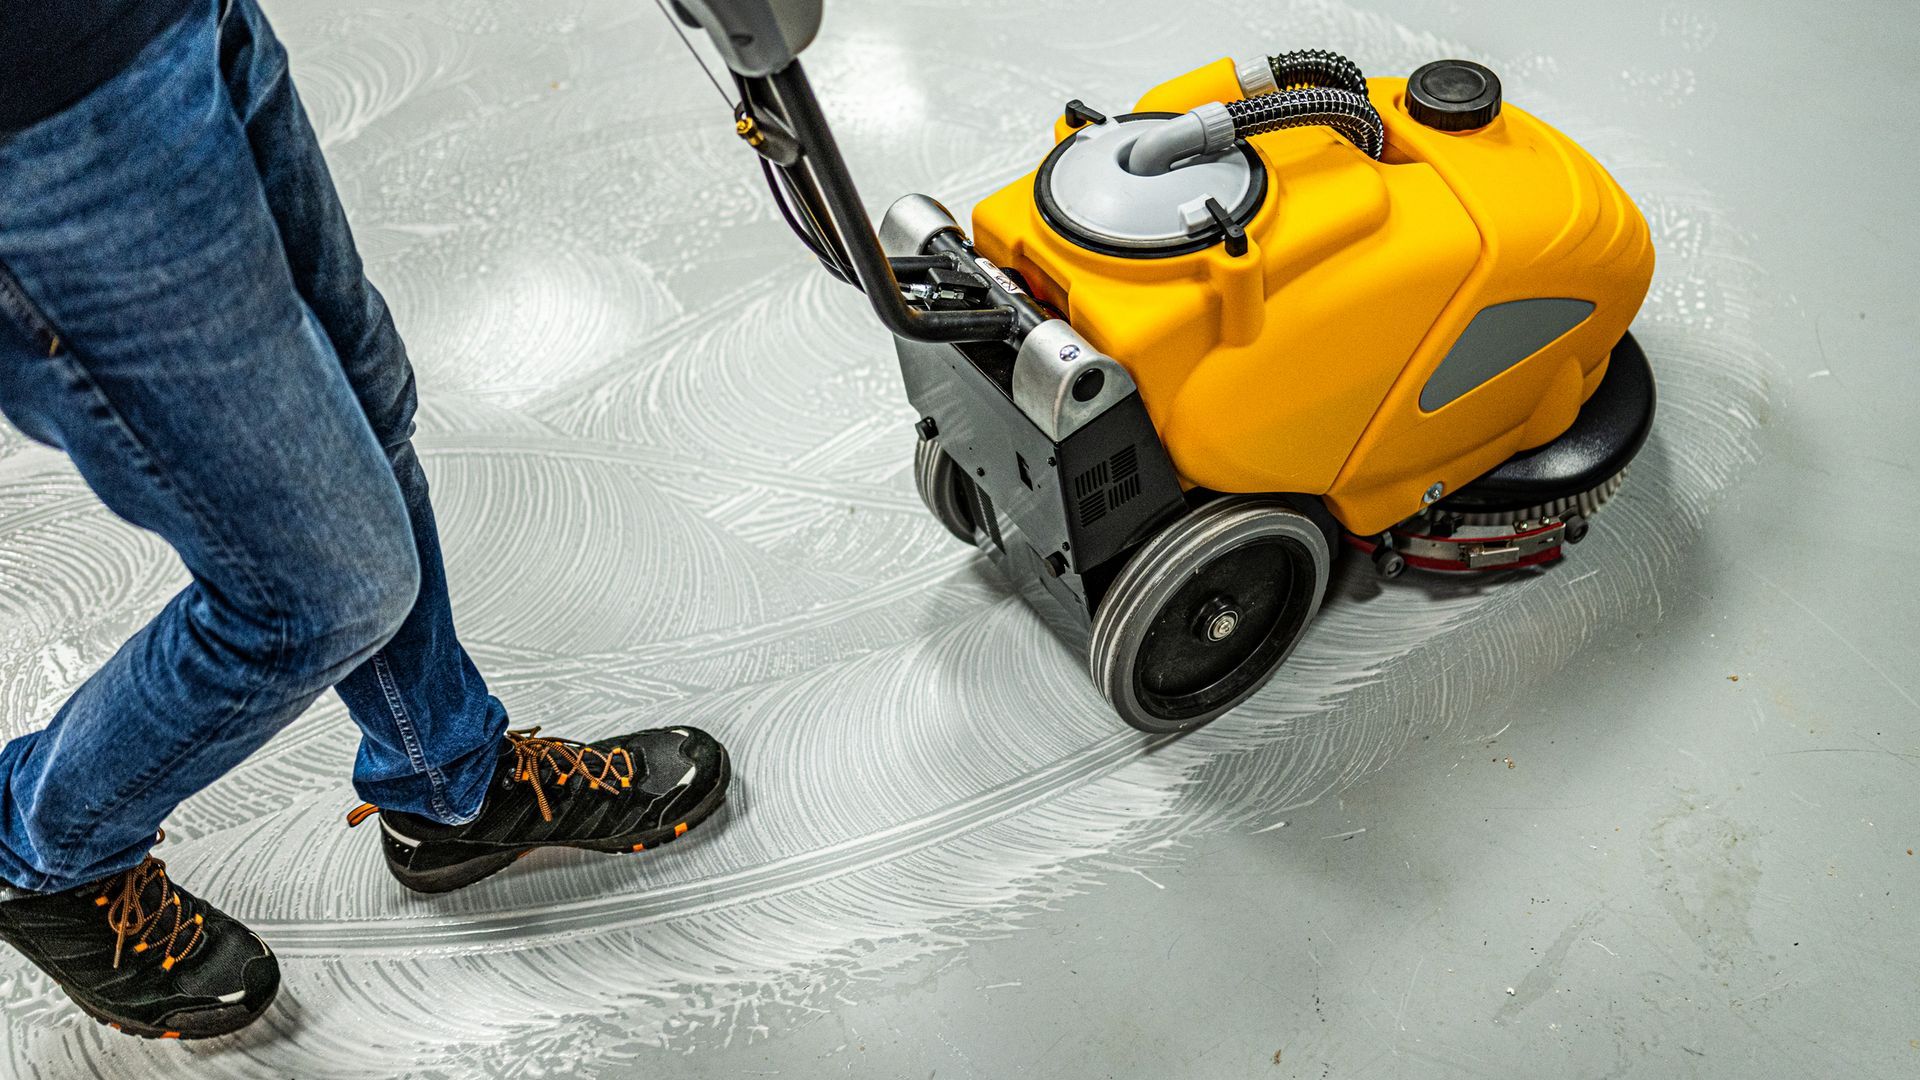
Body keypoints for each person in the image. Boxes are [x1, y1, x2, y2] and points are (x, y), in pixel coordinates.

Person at [0, 0, 732, 1040]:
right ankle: (44, 846)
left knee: (367, 403)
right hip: (45, 135)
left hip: (181, 26)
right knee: (312, 594)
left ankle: (447, 788)